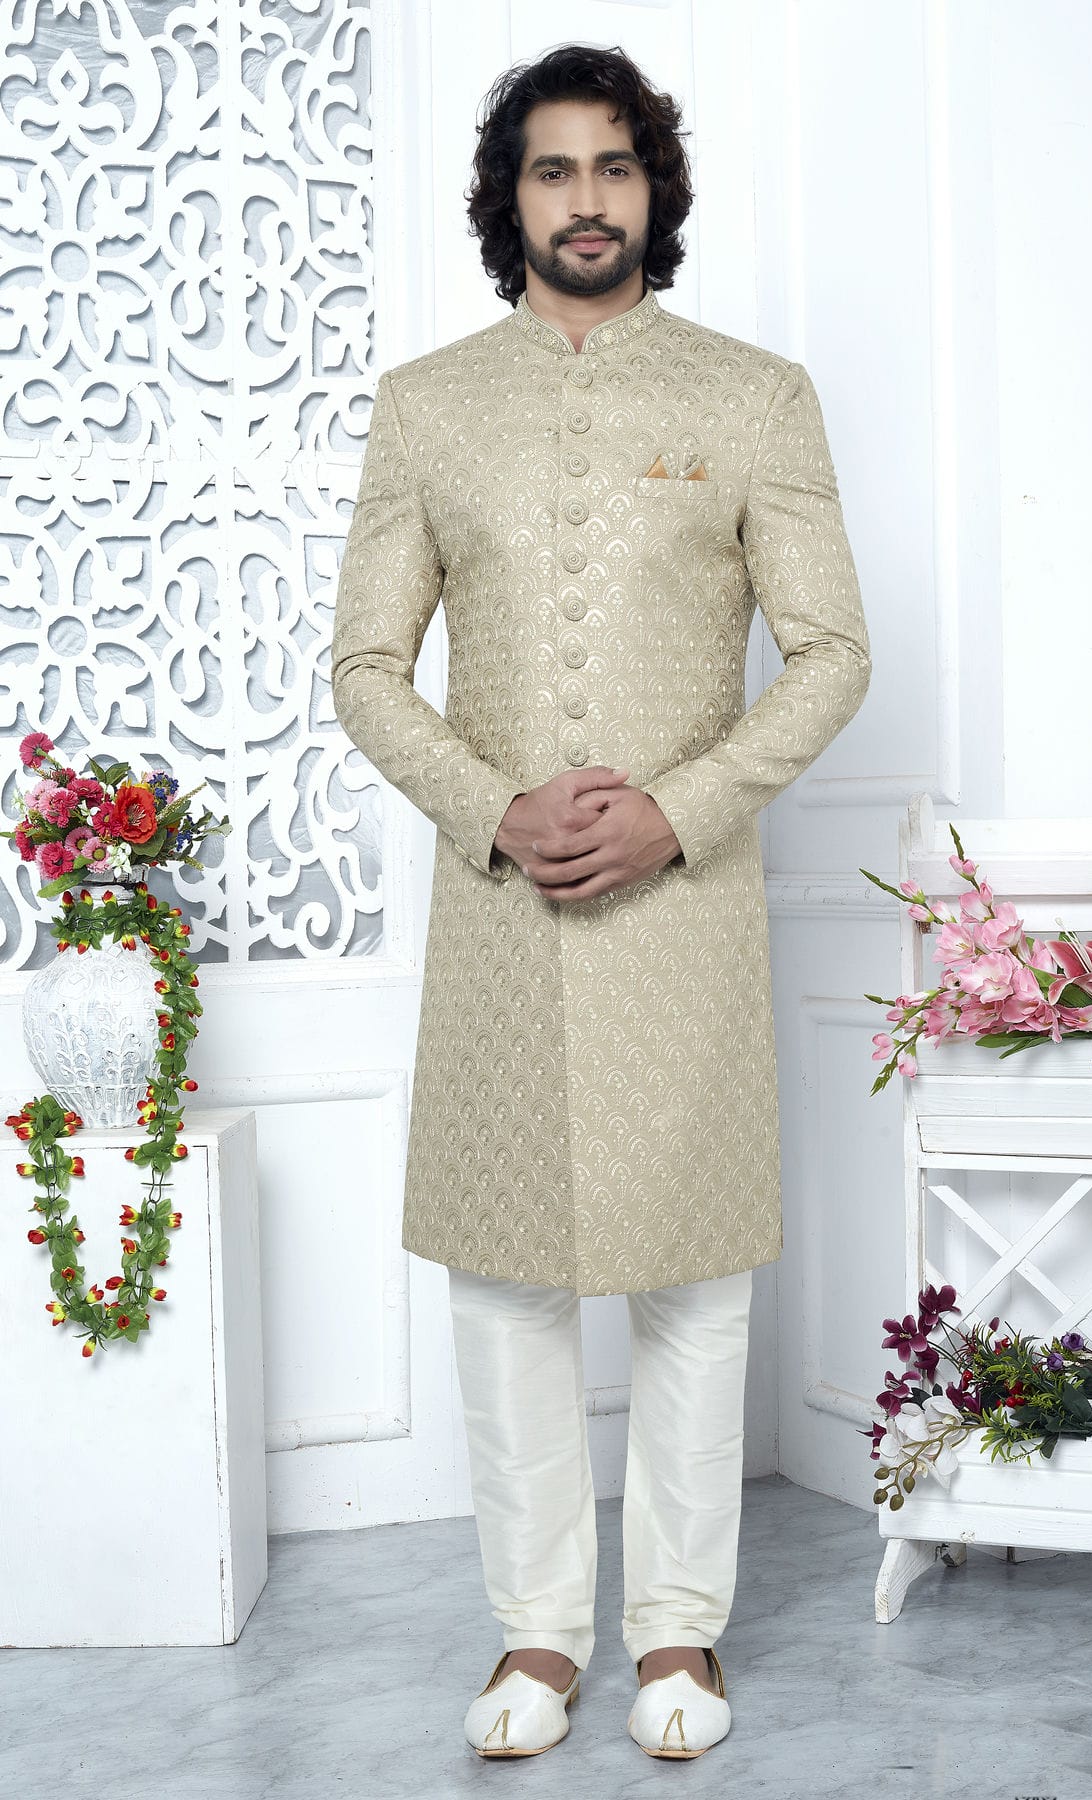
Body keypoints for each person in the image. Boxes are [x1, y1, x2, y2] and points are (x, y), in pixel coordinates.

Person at [331, 42, 871, 1761]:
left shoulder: (753, 397)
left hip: (682, 910)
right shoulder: (428, 404)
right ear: (511, 198)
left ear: (656, 190)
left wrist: (678, 812)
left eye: (615, 165)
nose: (586, 199)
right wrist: (495, 809)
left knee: (695, 1279)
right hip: (501, 911)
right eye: (553, 169)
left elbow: (833, 652)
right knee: (505, 1279)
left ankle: (679, 1635)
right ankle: (539, 1637)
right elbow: (363, 668)